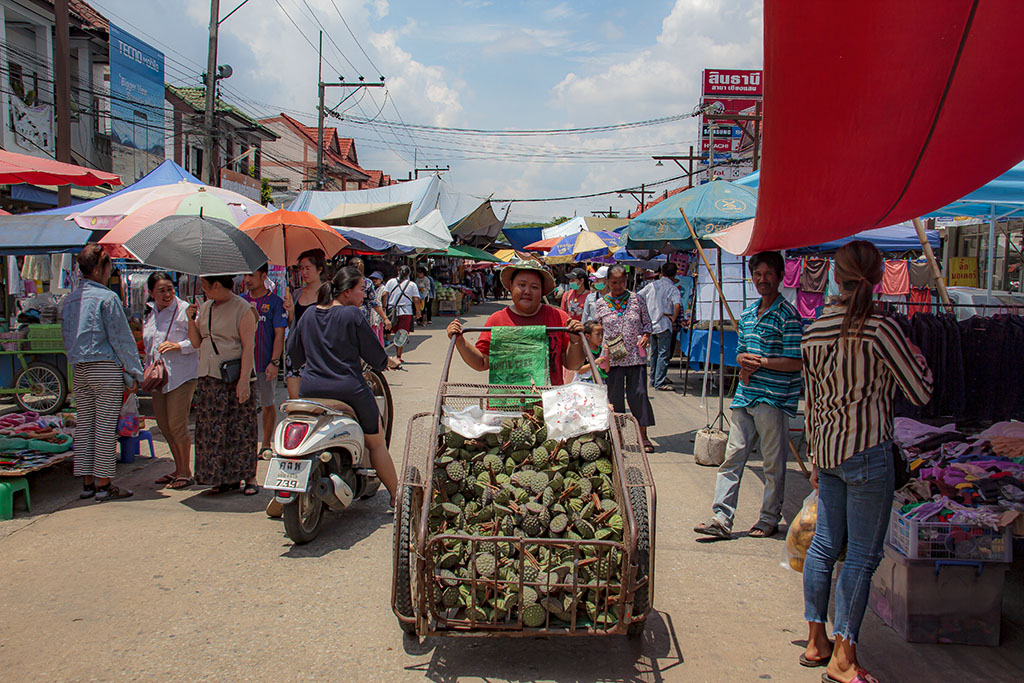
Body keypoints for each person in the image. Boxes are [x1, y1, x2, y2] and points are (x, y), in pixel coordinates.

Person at [800, 241, 932, 683]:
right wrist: (917, 358)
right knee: (860, 555)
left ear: (834, 277)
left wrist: (817, 457)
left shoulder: (814, 331)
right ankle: (844, 656)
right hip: (868, 454)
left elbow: (813, 404)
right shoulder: (880, 329)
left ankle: (817, 642)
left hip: (831, 455)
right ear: (878, 278)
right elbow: (921, 392)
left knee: (824, 547)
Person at [693, 252, 803, 541]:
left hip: (773, 399)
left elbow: (796, 362)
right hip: (745, 397)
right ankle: (721, 518)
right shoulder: (747, 314)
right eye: (757, 274)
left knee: (772, 463)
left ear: (779, 276)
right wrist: (743, 359)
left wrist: (763, 363)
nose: (762, 279)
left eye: (768, 274)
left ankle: (769, 518)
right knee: (732, 458)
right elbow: (741, 352)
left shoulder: (789, 316)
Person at [287, 266, 400, 504]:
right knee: (376, 441)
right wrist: (388, 361)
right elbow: (375, 355)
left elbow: (294, 356)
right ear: (347, 292)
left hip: (309, 391)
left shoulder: (308, 314)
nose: (364, 296)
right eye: (361, 290)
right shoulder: (352, 315)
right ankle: (395, 495)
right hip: (349, 390)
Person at [60, 243, 144, 501]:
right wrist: (134, 373)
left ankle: (87, 483)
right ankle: (104, 485)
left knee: (85, 425)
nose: (110, 273)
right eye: (108, 268)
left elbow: (66, 337)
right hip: (104, 368)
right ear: (99, 268)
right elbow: (121, 338)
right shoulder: (108, 298)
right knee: (105, 427)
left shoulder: (69, 299)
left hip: (80, 369)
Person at [447, 259, 585, 385]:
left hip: (548, 404)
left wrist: (575, 341)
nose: (527, 291)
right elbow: (482, 362)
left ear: (542, 291)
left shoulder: (559, 318)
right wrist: (460, 341)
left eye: (534, 287)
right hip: (505, 405)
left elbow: (573, 365)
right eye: (521, 285)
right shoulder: (497, 320)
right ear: (511, 286)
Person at [187, 274, 260, 495]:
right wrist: (190, 319)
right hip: (209, 376)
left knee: (240, 428)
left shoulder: (243, 308)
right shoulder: (207, 307)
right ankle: (221, 477)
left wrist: (244, 380)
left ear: (217, 285)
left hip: (234, 376)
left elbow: (249, 347)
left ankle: (249, 477)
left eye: (206, 287)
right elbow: (196, 342)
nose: (204, 291)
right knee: (213, 429)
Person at [144, 272, 198, 489]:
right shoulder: (150, 313)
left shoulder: (186, 310)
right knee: (164, 425)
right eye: (162, 290)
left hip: (181, 375)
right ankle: (177, 468)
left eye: (170, 288)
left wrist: (178, 346)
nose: (167, 294)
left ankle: (186, 471)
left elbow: (197, 341)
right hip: (158, 377)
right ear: (151, 293)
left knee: (177, 424)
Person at [593, 265, 655, 451]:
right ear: (607, 282)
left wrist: (646, 336)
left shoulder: (638, 300)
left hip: (636, 357)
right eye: (614, 282)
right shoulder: (601, 303)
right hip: (612, 360)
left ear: (626, 281)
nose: (618, 286)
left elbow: (647, 324)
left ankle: (642, 436)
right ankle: (617, 436)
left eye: (621, 282)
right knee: (615, 398)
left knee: (639, 395)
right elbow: (597, 328)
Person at [242, 265, 287, 460]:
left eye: (250, 274)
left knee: (268, 404)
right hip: (243, 366)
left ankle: (266, 444)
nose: (247, 279)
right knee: (244, 407)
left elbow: (279, 334)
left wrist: (274, 362)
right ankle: (246, 444)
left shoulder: (275, 302)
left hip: (264, 363)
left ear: (263, 276)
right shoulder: (240, 302)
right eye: (245, 275)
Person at [283, 248, 326, 399]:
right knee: (295, 400)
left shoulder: (327, 294)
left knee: (315, 400)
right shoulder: (296, 294)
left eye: (308, 268)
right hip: (296, 351)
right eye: (301, 268)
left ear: (319, 269)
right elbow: (292, 325)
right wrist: (290, 312)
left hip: (318, 353)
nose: (304, 272)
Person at [639, 263, 682, 391]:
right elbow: (677, 305)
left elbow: (638, 296)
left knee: (654, 354)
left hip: (651, 324)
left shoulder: (651, 285)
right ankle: (659, 382)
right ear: (674, 274)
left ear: (661, 272)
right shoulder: (672, 288)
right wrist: (673, 318)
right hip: (664, 324)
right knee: (663, 354)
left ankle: (653, 379)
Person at [383, 265, 421, 364]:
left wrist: (384, 307)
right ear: (408, 274)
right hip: (406, 311)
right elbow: (416, 299)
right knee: (401, 334)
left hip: (392, 310)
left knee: (389, 332)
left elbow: (384, 294)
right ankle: (398, 356)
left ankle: (387, 352)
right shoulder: (412, 284)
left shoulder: (391, 282)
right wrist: (418, 312)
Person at [349, 257, 390, 339]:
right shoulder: (367, 283)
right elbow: (374, 303)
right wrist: (385, 318)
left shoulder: (343, 281)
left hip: (344, 316)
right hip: (362, 317)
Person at [368, 270, 387, 345]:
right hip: (371, 314)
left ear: (381, 279)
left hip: (379, 314)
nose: (374, 280)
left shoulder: (383, 289)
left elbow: (384, 303)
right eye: (373, 279)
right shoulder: (371, 288)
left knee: (378, 334)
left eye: (376, 279)